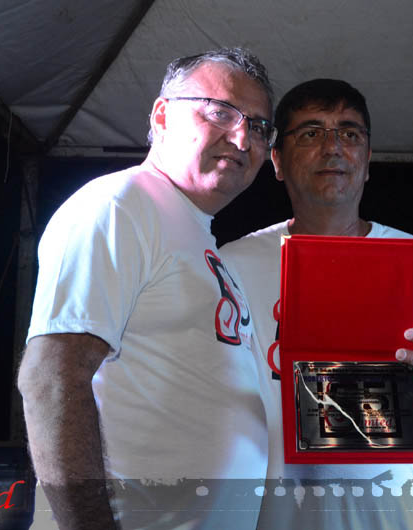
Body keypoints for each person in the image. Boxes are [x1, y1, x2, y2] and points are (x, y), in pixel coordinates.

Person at [17, 48, 277, 530]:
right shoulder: (120, 205)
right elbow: (51, 377)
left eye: (259, 127)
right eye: (221, 112)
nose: (242, 138)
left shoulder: (194, 233)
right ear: (162, 116)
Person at [220, 79, 413, 529]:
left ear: (367, 162)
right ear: (277, 161)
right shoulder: (231, 266)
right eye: (311, 132)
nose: (333, 147)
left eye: (349, 133)